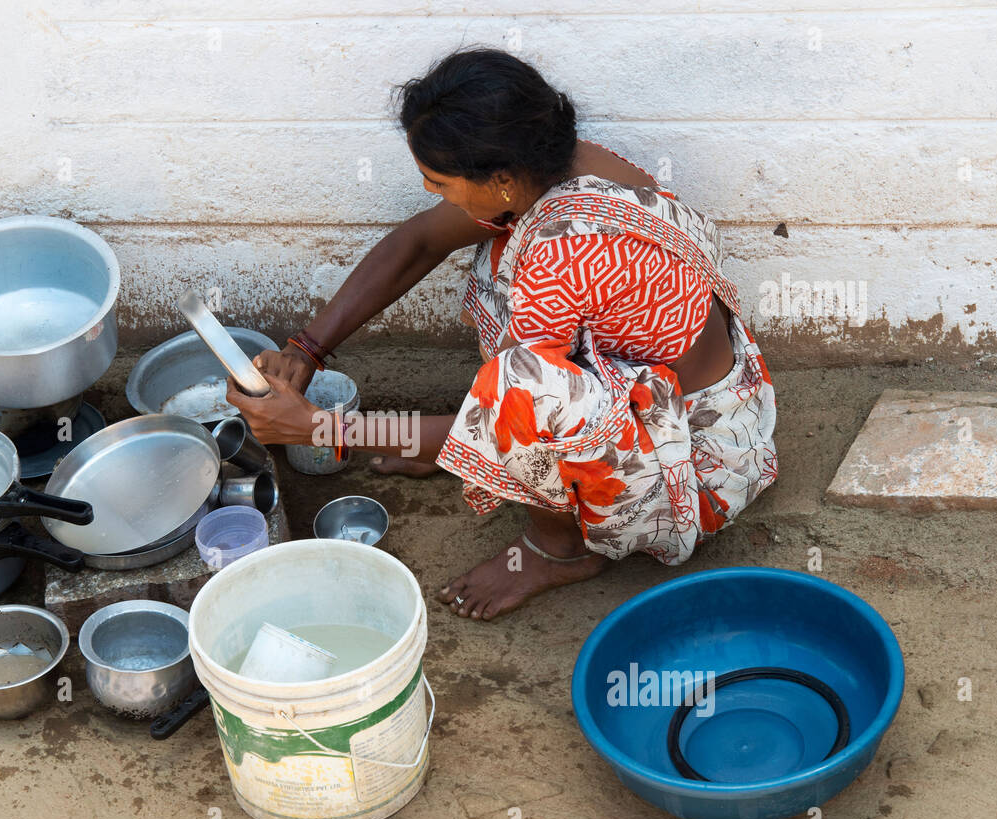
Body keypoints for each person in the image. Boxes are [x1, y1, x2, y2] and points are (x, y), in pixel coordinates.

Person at [227, 47, 777, 621]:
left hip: (694, 466)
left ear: (502, 178)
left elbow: (514, 417)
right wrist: (306, 349)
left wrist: (319, 427)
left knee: (519, 384)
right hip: (693, 396)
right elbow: (417, 243)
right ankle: (462, 452)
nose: (426, 188)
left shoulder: (561, 252)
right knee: (498, 271)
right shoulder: (561, 168)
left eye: (438, 180)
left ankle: (560, 550)